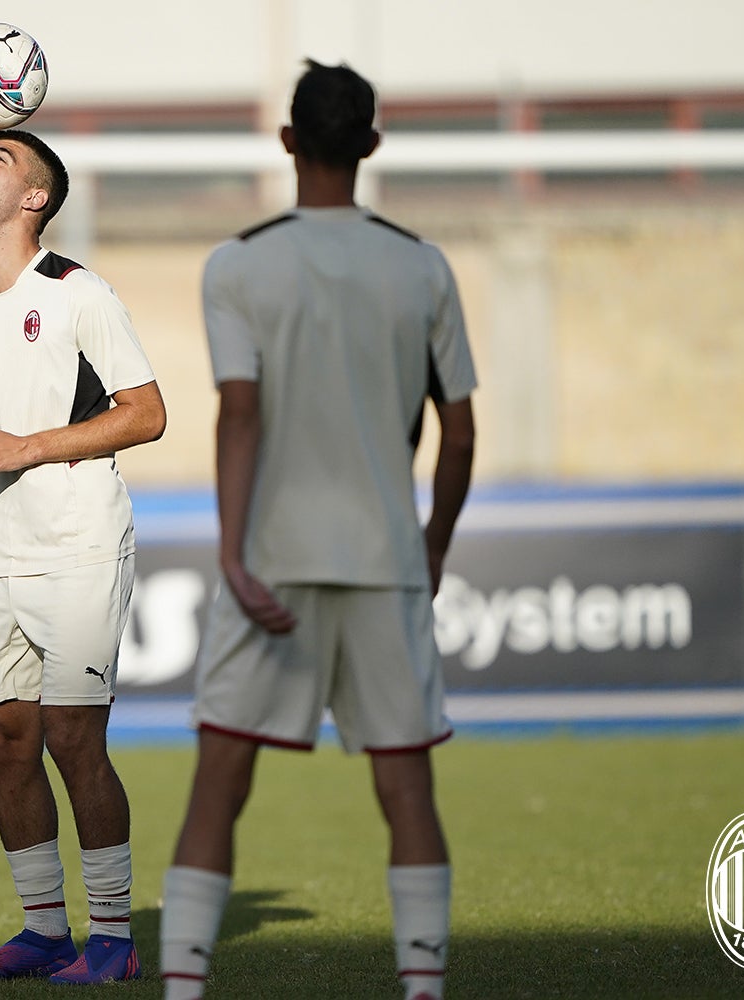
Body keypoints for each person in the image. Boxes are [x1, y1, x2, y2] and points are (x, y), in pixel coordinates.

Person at [158, 60, 477, 1000]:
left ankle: (184, 988)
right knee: (406, 787)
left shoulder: (241, 262)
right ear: (371, 145)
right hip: (385, 558)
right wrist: (434, 547)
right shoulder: (421, 264)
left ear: (288, 141)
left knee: (221, 780)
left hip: (273, 563)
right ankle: (422, 988)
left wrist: (230, 552)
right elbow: (458, 433)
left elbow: (240, 414)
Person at [0, 129, 166, 985]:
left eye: (3, 159)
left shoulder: (75, 292)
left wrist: (29, 446)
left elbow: (147, 413)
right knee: (7, 739)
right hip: (1, 547)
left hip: (80, 540)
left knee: (73, 737)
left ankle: (112, 940)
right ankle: (41, 932)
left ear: (35, 199)